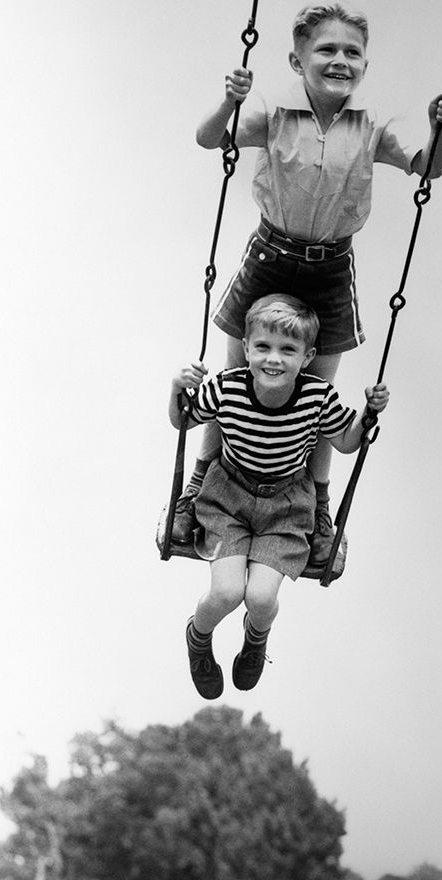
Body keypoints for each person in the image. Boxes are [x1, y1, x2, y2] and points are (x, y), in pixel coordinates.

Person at [169, 1, 442, 557]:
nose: (339, 60)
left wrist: (437, 127)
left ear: (365, 67)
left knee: (320, 393)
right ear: (298, 60)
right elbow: (209, 139)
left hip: (329, 266)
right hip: (270, 256)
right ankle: (197, 490)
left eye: (352, 52)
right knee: (234, 383)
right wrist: (230, 100)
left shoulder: (372, 131)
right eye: (326, 49)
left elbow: (429, 166)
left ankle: (318, 507)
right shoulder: (273, 117)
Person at [170, 294, 390, 698]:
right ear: (247, 350)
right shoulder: (226, 387)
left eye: (288, 350)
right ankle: (198, 638)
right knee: (225, 592)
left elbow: (345, 441)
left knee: (260, 598)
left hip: (286, 508)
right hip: (226, 500)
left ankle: (256, 640)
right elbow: (183, 420)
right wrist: (177, 388)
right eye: (263, 348)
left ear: (306, 358)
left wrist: (367, 415)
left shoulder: (316, 397)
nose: (274, 359)